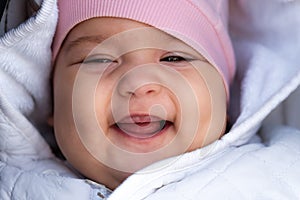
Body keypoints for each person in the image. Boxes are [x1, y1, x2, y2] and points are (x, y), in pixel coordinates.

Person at [1, 0, 300, 199]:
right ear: (52, 102)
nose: (139, 82)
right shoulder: (13, 186)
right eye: (99, 59)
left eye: (173, 57)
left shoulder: (285, 170)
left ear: (225, 98)